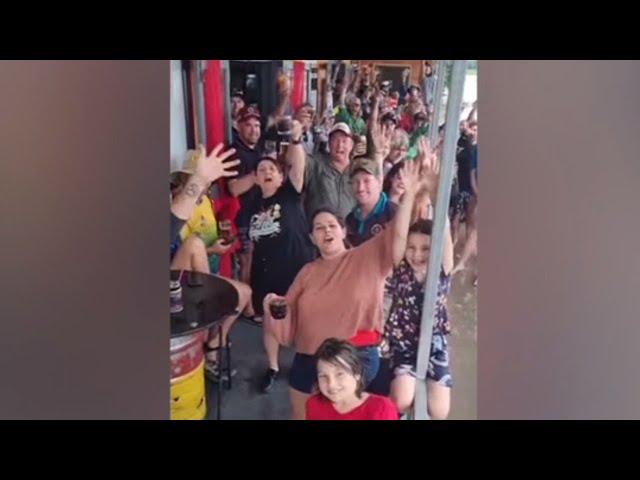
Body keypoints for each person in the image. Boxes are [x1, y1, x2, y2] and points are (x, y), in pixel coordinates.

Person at [263, 155, 435, 420]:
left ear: (343, 231)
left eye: (332, 225)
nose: (326, 230)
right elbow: (287, 323)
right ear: (312, 238)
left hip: (355, 354)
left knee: (336, 399)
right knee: (302, 409)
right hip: (310, 356)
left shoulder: (367, 256)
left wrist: (410, 194)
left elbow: (398, 234)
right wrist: (273, 306)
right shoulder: (307, 272)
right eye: (319, 228)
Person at [245, 121, 315, 391]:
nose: (266, 172)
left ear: (280, 176)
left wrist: (296, 139)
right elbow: (249, 244)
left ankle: (307, 360)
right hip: (266, 273)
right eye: (261, 170)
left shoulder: (290, 193)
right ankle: (273, 367)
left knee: (305, 317)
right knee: (270, 320)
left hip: (299, 267)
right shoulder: (252, 204)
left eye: (271, 169)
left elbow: (298, 167)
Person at [385, 215, 454, 420]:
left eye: (426, 248)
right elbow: (398, 235)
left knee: (440, 411)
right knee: (401, 400)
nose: (417, 255)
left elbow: (446, 234)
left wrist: (436, 193)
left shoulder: (442, 270)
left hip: (434, 344)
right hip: (404, 342)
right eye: (411, 247)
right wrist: (412, 190)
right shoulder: (401, 269)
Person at [305, 338, 398, 420]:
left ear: (357, 373)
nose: (331, 384)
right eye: (323, 376)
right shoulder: (314, 404)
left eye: (339, 374)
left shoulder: (381, 408)